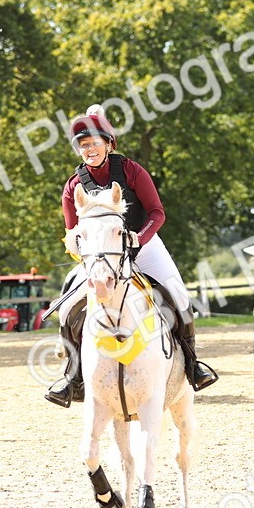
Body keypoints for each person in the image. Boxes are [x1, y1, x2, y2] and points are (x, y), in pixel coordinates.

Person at [45, 104, 218, 407]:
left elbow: (156, 212)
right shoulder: (73, 186)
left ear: (109, 144)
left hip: (143, 246)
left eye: (95, 143)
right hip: (101, 257)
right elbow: (72, 230)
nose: (89, 149)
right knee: (66, 308)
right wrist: (76, 247)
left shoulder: (130, 171)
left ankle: (193, 365)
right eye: (83, 145)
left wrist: (140, 237)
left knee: (178, 296)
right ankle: (72, 377)